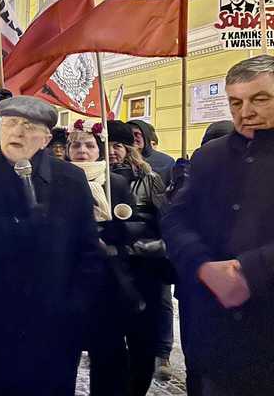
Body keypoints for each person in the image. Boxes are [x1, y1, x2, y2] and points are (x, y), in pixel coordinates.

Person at [0, 96, 103, 396]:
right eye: (10, 123)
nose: (17, 132)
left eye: (28, 126)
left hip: (46, 331)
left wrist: (72, 308)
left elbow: (87, 252)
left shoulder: (70, 180)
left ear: (46, 138)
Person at [162, 55, 274, 395]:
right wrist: (201, 264)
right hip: (218, 336)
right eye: (235, 102)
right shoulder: (209, 155)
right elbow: (174, 216)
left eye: (260, 99)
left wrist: (250, 271)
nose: (245, 112)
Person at [65, 119, 135, 396]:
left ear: (99, 149)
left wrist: (116, 230)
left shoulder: (115, 182)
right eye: (77, 145)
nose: (83, 150)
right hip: (68, 276)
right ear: (68, 149)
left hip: (107, 277)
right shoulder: (59, 179)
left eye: (89, 145)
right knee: (63, 346)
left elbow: (133, 223)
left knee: (108, 350)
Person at [108, 120, 169, 396]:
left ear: (129, 148)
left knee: (141, 344)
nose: (111, 151)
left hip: (143, 270)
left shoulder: (150, 178)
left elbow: (166, 222)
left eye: (117, 145)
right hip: (108, 272)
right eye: (106, 145)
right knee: (109, 346)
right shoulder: (90, 178)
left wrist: (157, 246)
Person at [126, 119, 175, 380]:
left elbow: (167, 205)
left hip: (155, 244)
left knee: (162, 300)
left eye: (137, 134)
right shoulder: (117, 165)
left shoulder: (164, 163)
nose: (134, 139)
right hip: (129, 248)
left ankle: (163, 350)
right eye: (129, 135)